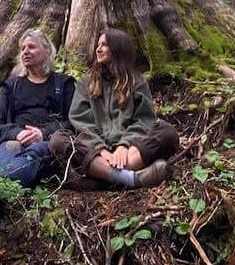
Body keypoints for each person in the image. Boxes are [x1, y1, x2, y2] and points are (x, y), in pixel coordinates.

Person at [0, 28, 74, 241]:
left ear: (47, 50)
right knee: (7, 158)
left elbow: (73, 122)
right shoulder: (11, 87)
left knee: (32, 157)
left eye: (31, 47)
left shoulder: (63, 84)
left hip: (45, 143)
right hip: (13, 141)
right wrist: (17, 133)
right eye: (22, 48)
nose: (25, 52)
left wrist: (43, 133)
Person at [50, 27, 178, 189]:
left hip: (131, 151)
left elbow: (144, 120)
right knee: (58, 140)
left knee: (166, 131)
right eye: (98, 45)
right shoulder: (86, 82)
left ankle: (106, 177)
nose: (98, 49)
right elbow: (81, 122)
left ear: (118, 48)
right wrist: (101, 149)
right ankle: (132, 179)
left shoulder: (137, 81)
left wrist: (124, 145)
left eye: (104, 45)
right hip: (96, 152)